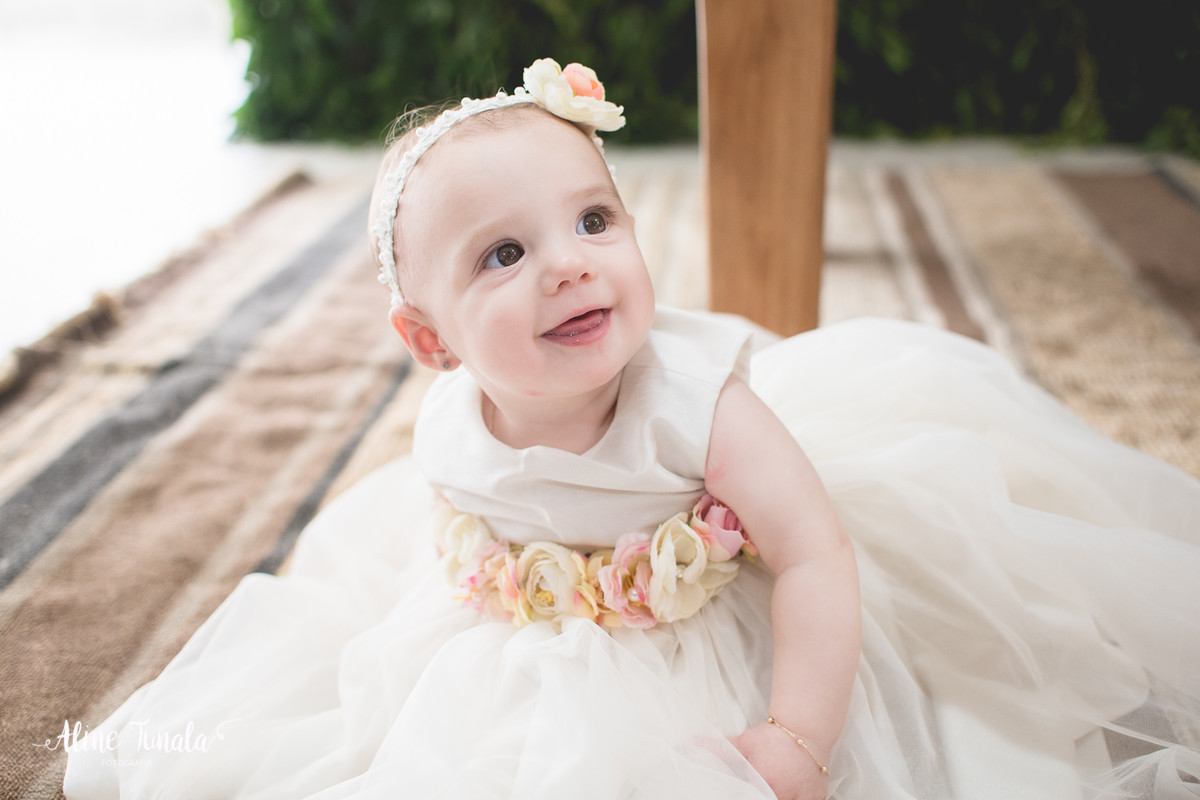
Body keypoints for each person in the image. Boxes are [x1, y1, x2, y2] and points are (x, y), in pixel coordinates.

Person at [64, 58, 1200, 799]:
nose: (568, 264)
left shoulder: (697, 400)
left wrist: (797, 739)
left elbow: (814, 553)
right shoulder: (453, 434)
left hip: (740, 619)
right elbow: (476, 552)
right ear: (431, 340)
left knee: (975, 733)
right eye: (503, 255)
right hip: (553, 629)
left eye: (594, 218)